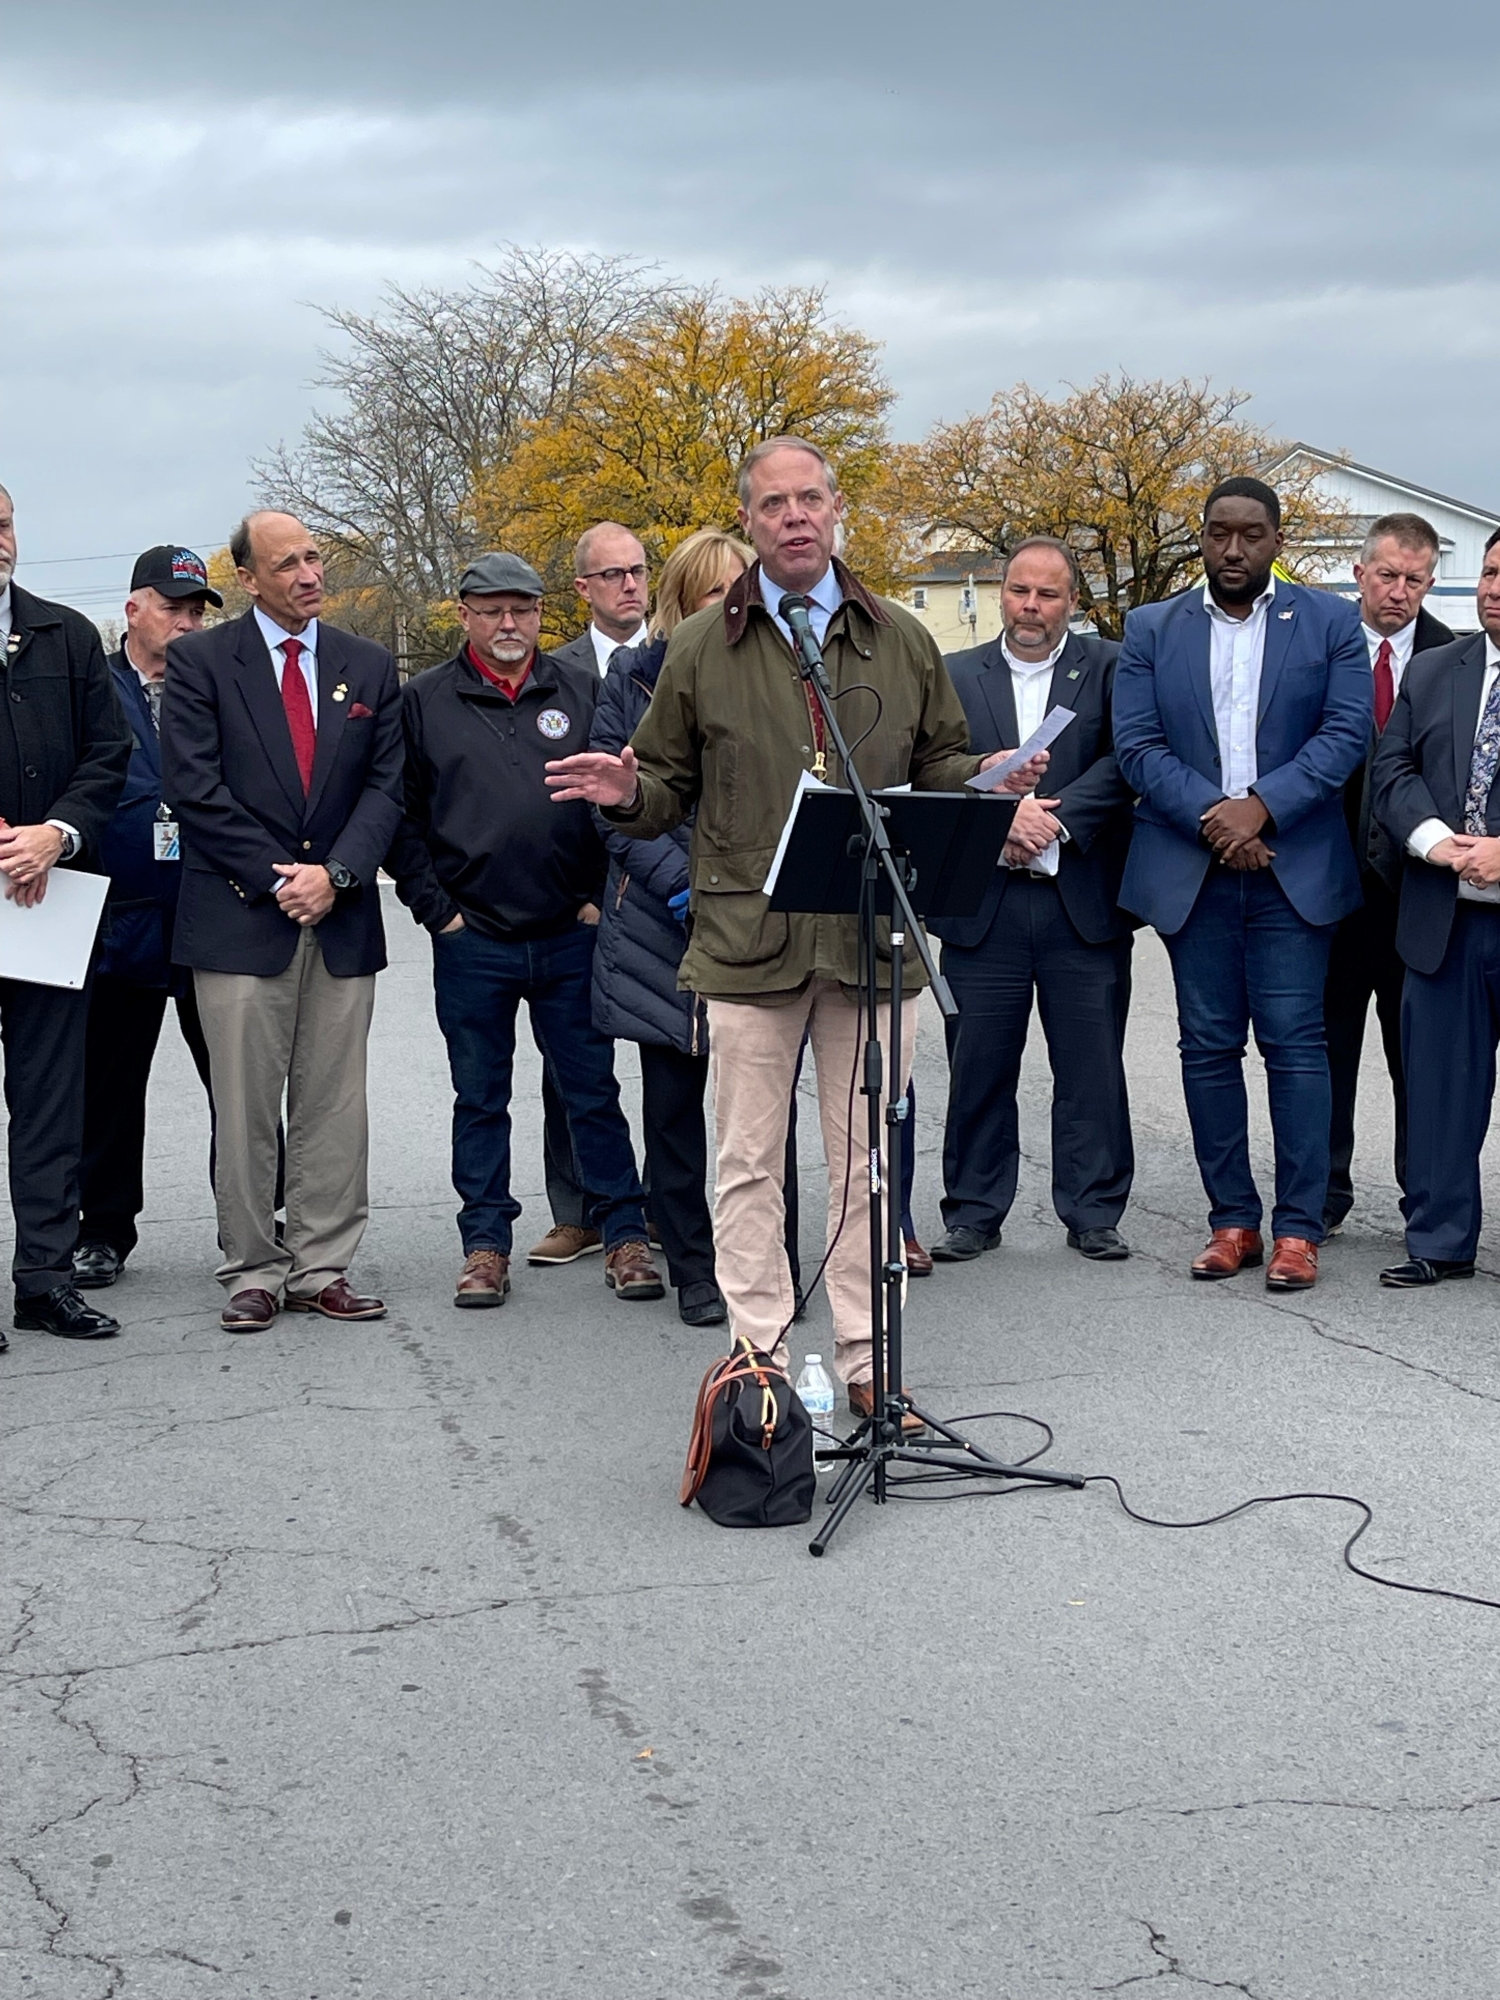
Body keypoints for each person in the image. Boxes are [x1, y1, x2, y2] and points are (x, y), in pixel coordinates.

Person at [545, 438, 1042, 1419]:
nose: (795, 516)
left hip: (871, 942)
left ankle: (867, 1361)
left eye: (809, 497)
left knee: (866, 1166)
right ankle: (760, 1362)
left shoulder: (901, 637)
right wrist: (626, 791)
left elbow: (939, 764)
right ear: (750, 520)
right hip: (748, 947)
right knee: (747, 1164)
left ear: (835, 505)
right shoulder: (699, 647)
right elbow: (661, 788)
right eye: (773, 504)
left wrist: (986, 778)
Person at [1113, 476, 1371, 1292]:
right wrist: (1218, 822)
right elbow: (1137, 745)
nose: (1233, 549)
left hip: (1293, 869)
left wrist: (1261, 809)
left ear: (1277, 541)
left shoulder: (1329, 622)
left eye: (1250, 534)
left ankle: (1298, 1230)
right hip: (1194, 870)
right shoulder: (1152, 627)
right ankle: (1232, 1222)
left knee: (1296, 1047)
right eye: (1219, 532)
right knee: (1207, 1047)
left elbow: (1346, 733)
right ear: (1202, 537)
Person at [386, 551, 660, 1310]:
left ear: (542, 613)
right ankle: (485, 1246)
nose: (509, 623)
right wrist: (437, 911)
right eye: (493, 610)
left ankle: (624, 1233)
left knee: (591, 1091)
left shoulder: (581, 689)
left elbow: (618, 798)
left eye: (524, 609)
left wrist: (598, 899)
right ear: (465, 615)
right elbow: (400, 817)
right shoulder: (424, 701)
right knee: (480, 1098)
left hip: (571, 932)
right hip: (472, 939)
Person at [161, 510, 403, 1332]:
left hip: (340, 916)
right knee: (246, 1106)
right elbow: (195, 789)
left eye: (313, 557)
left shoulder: (367, 665)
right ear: (247, 580)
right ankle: (253, 1270)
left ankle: (321, 1266)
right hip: (238, 918)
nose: (308, 575)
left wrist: (336, 875)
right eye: (287, 564)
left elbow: (388, 786)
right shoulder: (200, 663)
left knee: (335, 1104)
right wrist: (280, 881)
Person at [930, 536, 1136, 1265]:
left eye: (1048, 594)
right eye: (1019, 590)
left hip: (1080, 901)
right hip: (983, 905)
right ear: (1001, 594)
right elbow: (932, 767)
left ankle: (1094, 1210)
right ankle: (974, 1211)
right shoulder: (954, 675)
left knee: (1091, 1068)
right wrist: (1001, 824)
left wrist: (1054, 821)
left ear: (1072, 602)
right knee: (978, 1067)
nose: (1030, 606)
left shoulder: (1110, 668)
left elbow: (1128, 757)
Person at [590, 529, 759, 1328]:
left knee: (761, 1114)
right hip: (667, 921)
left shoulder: (782, 672)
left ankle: (768, 1262)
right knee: (674, 1108)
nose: (729, 606)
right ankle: (693, 1267)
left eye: (740, 590)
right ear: (681, 603)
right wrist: (686, 886)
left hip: (759, 917)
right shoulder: (633, 676)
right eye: (712, 593)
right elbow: (615, 805)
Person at [0, 484, 133, 1348]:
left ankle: (45, 1282)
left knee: (51, 1104)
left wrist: (57, 833)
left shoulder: (67, 635)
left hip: (47, 902)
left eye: (4, 524)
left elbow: (108, 752)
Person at [73, 547, 222, 1289]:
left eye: (197, 611)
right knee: (107, 1085)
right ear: (133, 610)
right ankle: (102, 1230)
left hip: (211, 917)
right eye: (174, 608)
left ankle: (253, 1221)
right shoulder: (93, 687)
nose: (188, 622)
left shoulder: (226, 687)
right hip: (117, 920)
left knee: (238, 1082)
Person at [1370, 527, 1500, 1287]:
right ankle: (1440, 1240)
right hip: (1442, 920)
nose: (1494, 589)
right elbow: (1392, 770)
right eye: (1489, 572)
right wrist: (1434, 842)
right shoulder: (1434, 667)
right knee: (1441, 1090)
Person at [1323, 514, 1453, 1237]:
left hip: (1417, 900)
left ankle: (1423, 1204)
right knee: (1325, 1055)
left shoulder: (1454, 659)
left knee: (1419, 1062)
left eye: (1415, 580)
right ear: (1359, 573)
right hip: (1328, 896)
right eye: (1387, 576)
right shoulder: (1319, 647)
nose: (1399, 592)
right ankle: (1321, 1196)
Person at [536, 521, 655, 1262]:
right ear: (583, 587)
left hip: (661, 885)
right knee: (572, 1064)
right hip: (582, 898)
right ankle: (578, 1209)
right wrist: (579, 892)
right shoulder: (556, 673)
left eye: (638, 570)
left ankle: (664, 1208)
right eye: (613, 574)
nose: (630, 585)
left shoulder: (678, 656)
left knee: (673, 1063)